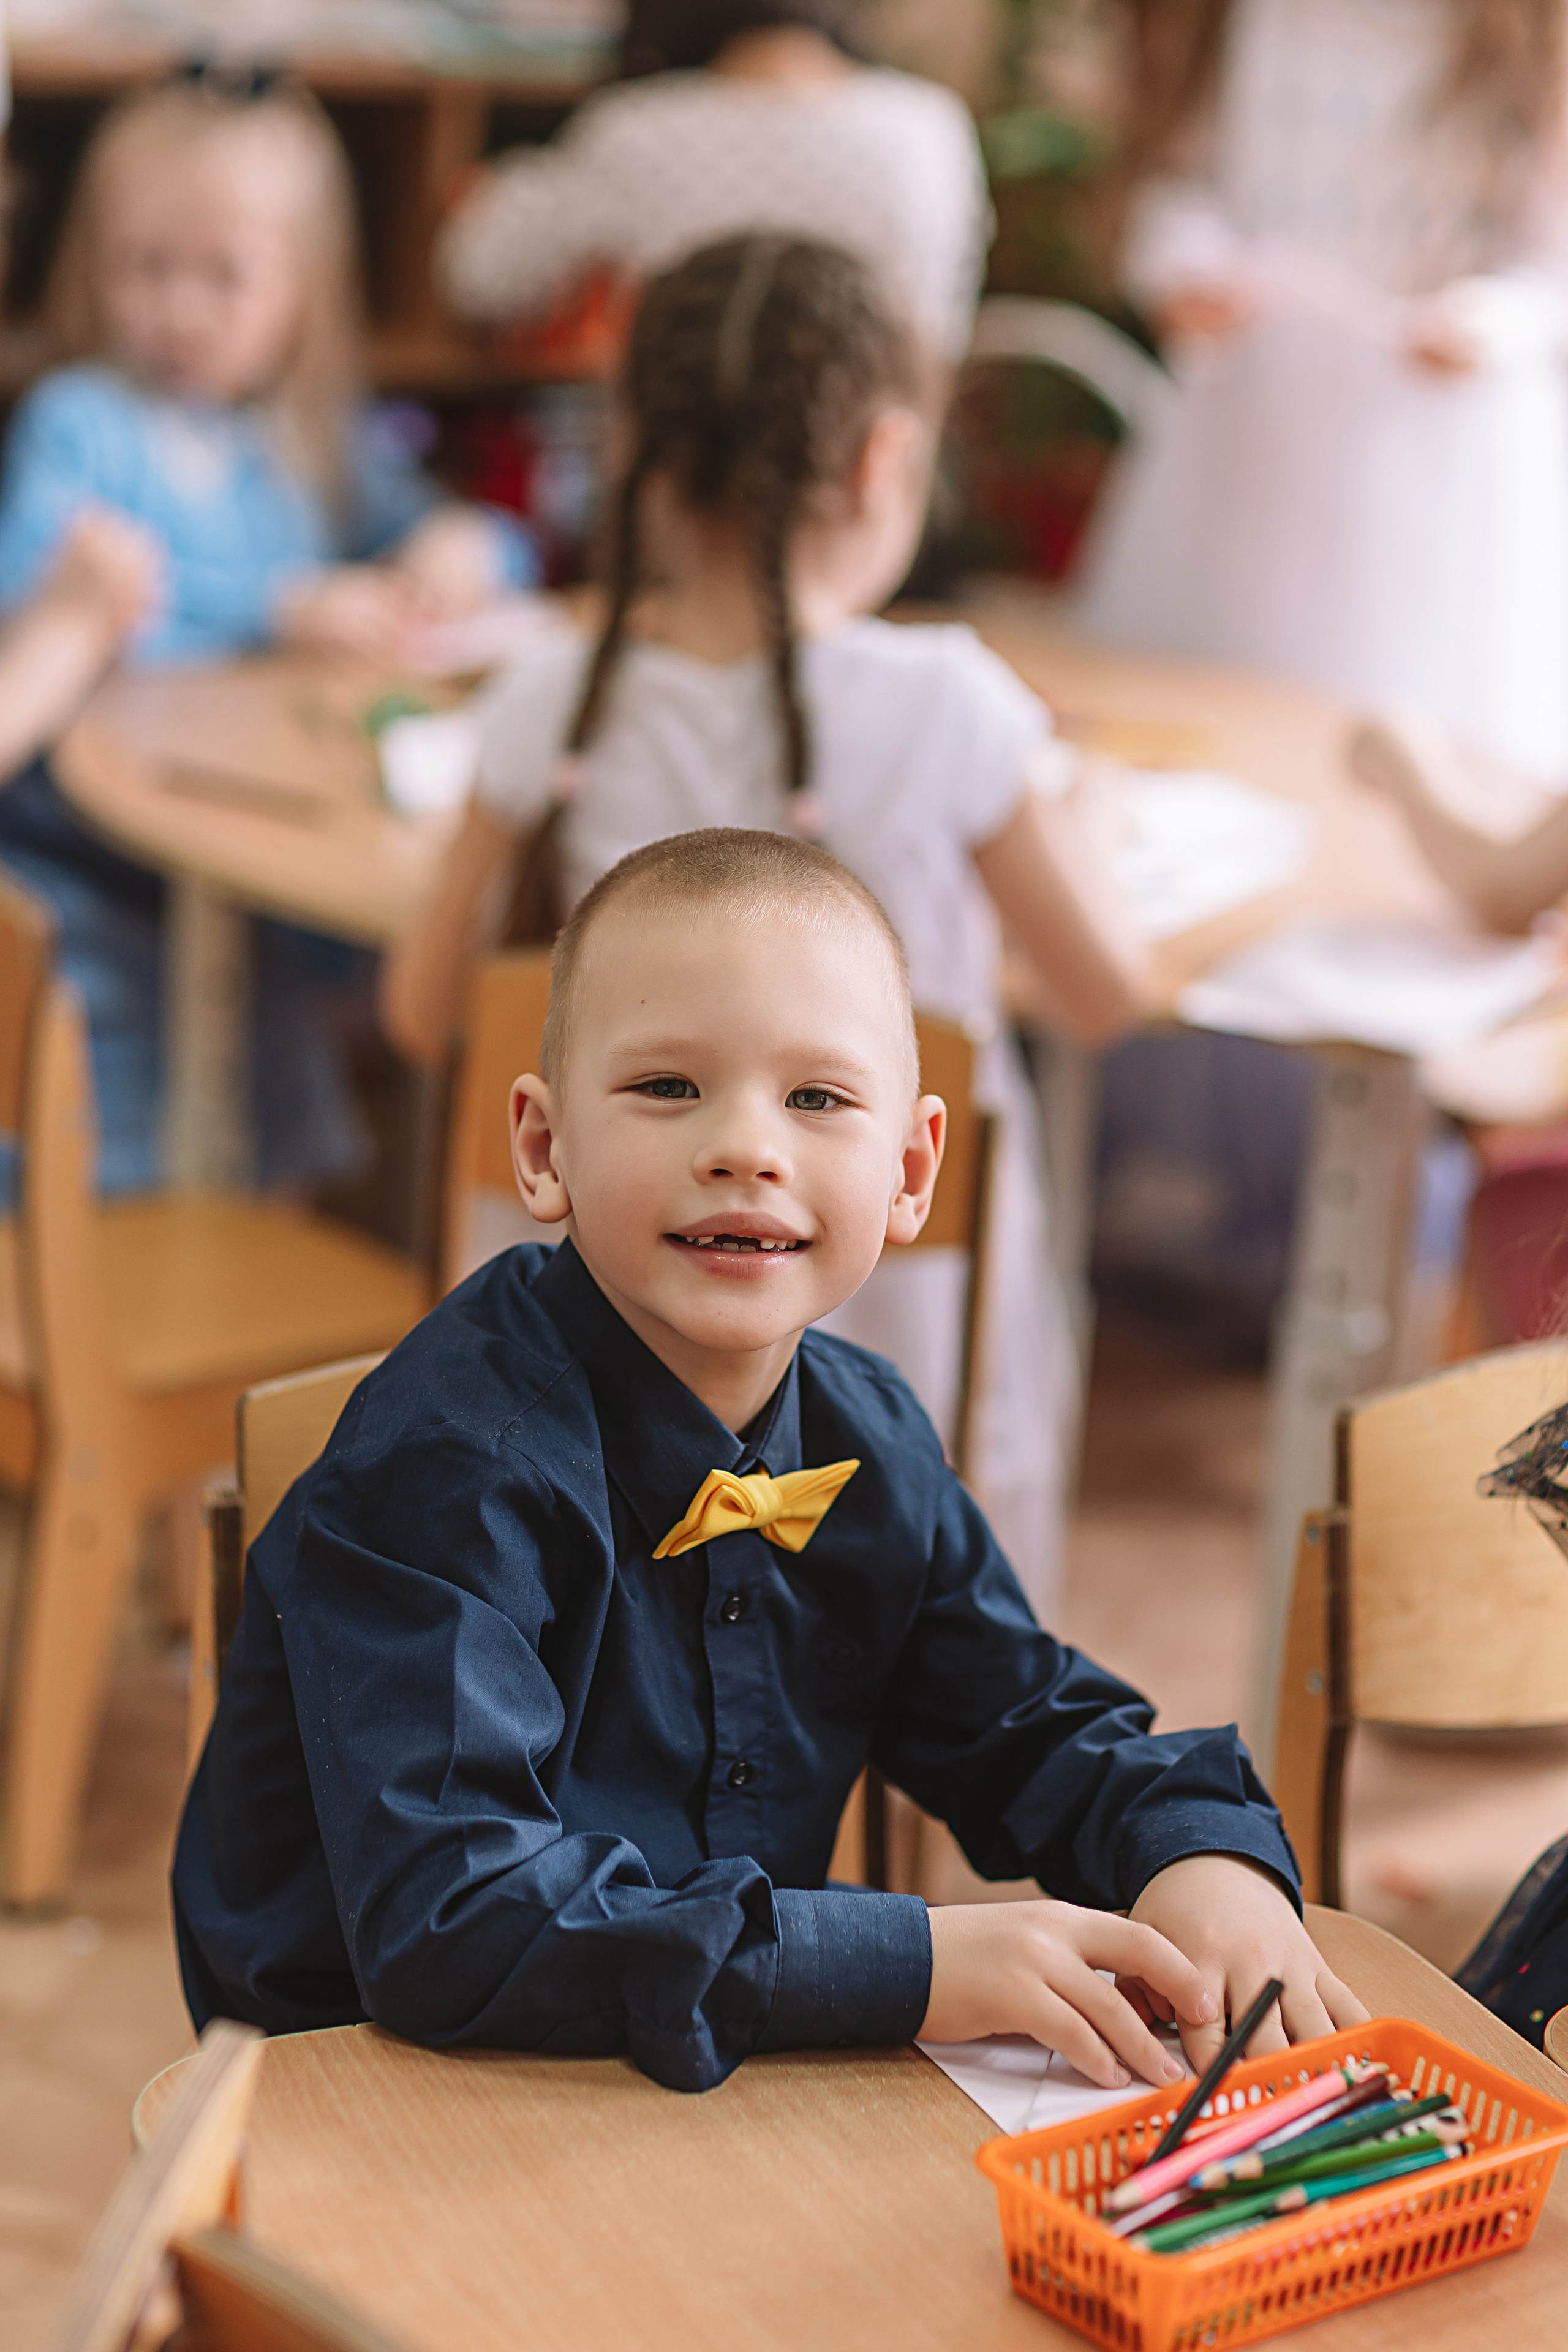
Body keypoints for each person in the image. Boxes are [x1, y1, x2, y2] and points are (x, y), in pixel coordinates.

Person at [174, 827, 1366, 2093]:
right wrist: (908, 1962)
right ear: (542, 1148)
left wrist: (1197, 1859)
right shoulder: (450, 1466)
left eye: (815, 1099)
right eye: (667, 1088)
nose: (745, 1147)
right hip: (394, 2083)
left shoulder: (870, 1439)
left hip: (700, 2049)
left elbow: (1023, 1725)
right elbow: (451, 1922)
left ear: (908, 1173)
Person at [383, 234, 1153, 1624]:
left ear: (639, 456)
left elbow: (423, 1009)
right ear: (881, 460)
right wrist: (1081, 811)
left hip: (590, 1380)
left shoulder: (543, 696)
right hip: (897, 1383)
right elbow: (1104, 990)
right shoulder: (952, 704)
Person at [0, 72, 536, 1195]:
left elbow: (473, 537)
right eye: (145, 266)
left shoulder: (305, 442)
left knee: (277, 1116)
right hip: (91, 883)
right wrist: (273, 606)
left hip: (258, 893)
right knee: (105, 1152)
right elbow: (43, 608)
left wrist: (461, 543)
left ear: (303, 289)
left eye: (224, 276)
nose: (180, 309)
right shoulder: (82, 425)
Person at [1077, 0, 1568, 782]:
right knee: (1198, 738)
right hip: (1252, 424)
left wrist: (1487, 323)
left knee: (1401, 763)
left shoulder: (1529, 32)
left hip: (1433, 454)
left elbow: (1549, 263)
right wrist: (1187, 266)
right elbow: (1181, 181)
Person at [435, 1, 990, 368]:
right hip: (882, 491)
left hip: (682, 483)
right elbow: (944, 335)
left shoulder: (640, 131)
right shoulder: (931, 127)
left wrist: (497, 191)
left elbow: (481, 274)